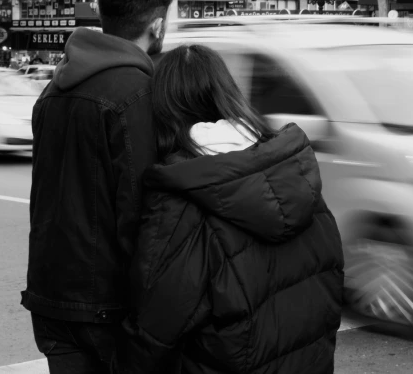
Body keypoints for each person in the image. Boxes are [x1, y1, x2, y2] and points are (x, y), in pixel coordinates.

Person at [122, 44, 344, 374]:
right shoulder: (297, 175)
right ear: (228, 92)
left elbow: (156, 328)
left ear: (164, 111)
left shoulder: (180, 199)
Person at [21, 0, 181, 373]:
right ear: (157, 25)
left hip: (52, 296)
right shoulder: (137, 94)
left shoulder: (53, 91)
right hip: (107, 306)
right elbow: (139, 211)